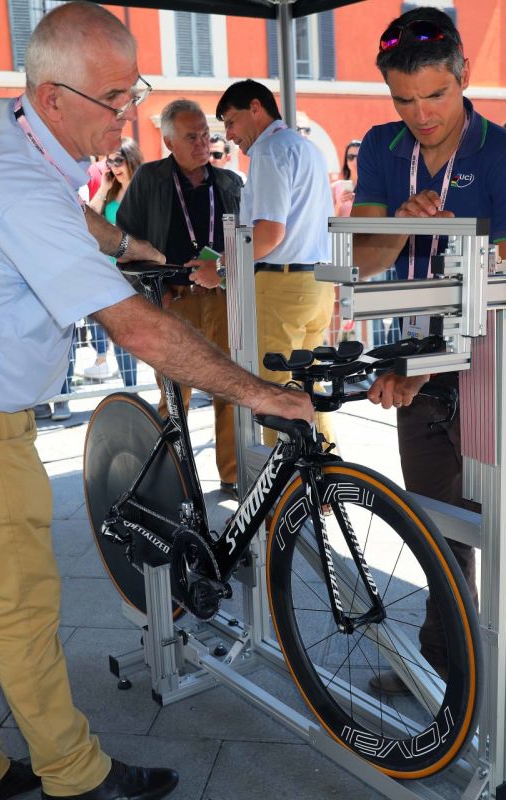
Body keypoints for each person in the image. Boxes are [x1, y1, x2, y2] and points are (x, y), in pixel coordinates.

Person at [0, 5, 313, 800]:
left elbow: (70, 213)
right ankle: (75, 775)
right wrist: (261, 393)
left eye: (134, 91)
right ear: (54, 96)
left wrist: (124, 242)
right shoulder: (20, 184)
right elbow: (136, 328)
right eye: (115, 98)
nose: (129, 115)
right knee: (20, 609)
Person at [348, 6, 506, 768]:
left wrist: (424, 366)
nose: (421, 115)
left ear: (463, 74)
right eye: (404, 99)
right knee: (433, 526)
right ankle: (440, 671)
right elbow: (364, 260)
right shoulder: (383, 148)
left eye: (435, 95)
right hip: (414, 361)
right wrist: (401, 224)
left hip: (493, 364)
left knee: (502, 533)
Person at [116, 98, 245, 498]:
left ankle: (234, 477)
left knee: (231, 390)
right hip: (173, 300)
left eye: (206, 135)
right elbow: (125, 241)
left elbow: (246, 242)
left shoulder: (229, 183)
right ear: (169, 141)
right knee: (174, 397)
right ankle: (172, 482)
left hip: (223, 299)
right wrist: (155, 297)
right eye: (192, 137)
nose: (203, 143)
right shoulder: (150, 180)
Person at [217, 79, 337, 444]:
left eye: (231, 122)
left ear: (255, 108)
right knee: (309, 393)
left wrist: (221, 265)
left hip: (282, 287)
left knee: (276, 396)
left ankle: (289, 480)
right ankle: (327, 477)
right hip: (316, 285)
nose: (229, 134)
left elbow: (269, 233)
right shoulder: (306, 147)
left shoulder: (269, 150)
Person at [83, 137, 142, 385]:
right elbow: (88, 216)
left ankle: (135, 389)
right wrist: (104, 188)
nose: (114, 166)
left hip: (136, 272)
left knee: (133, 334)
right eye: (110, 162)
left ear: (131, 159)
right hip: (109, 271)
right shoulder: (110, 191)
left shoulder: (144, 191)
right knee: (119, 333)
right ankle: (130, 389)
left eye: (119, 160)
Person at [333, 139, 362, 217]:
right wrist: (339, 203)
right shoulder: (335, 187)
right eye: (351, 157)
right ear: (346, 161)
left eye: (359, 156)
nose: (355, 160)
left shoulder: (375, 186)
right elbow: (328, 218)